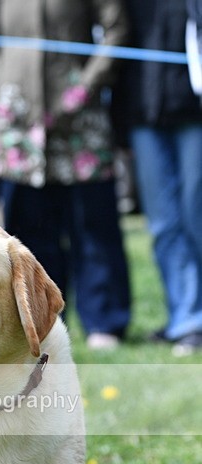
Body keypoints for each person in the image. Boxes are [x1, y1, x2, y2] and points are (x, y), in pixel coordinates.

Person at [0, 0, 132, 350]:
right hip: (19, 122)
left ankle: (104, 321)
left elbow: (117, 30)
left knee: (93, 225)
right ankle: (41, 322)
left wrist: (84, 86)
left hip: (79, 120)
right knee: (29, 232)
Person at [113, 0, 202, 355]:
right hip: (144, 117)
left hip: (194, 114)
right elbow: (119, 50)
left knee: (196, 216)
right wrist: (121, 127)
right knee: (164, 224)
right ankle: (186, 319)